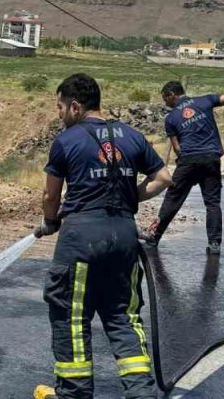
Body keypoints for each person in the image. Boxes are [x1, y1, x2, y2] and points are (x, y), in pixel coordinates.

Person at [32, 73, 173, 399]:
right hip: (124, 239)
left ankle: (75, 394)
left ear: (76, 107)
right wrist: (128, 198)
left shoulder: (66, 141)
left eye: (61, 108)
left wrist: (50, 221)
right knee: (122, 317)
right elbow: (164, 177)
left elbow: (50, 196)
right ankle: (141, 393)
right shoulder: (132, 135)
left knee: (72, 318)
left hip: (81, 241)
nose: (59, 114)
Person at [140, 81, 224, 254]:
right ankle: (214, 244)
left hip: (188, 161)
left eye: (165, 99)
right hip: (211, 160)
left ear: (172, 94)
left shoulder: (171, 118)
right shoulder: (205, 101)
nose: (165, 103)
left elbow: (177, 148)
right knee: (212, 203)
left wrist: (186, 163)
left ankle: (154, 239)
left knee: (172, 200)